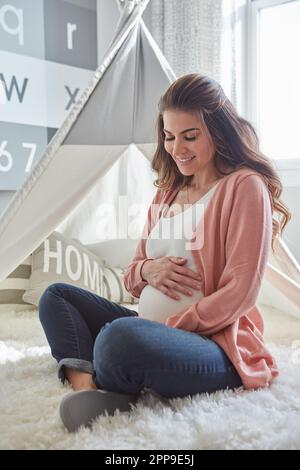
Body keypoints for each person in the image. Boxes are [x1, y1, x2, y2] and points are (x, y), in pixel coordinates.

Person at [39, 73, 291, 432]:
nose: (177, 149)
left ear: (218, 133)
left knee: (118, 338)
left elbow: (241, 291)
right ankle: (88, 387)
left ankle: (116, 365)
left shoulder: (244, 186)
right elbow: (133, 275)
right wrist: (148, 270)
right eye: (169, 137)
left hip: (214, 346)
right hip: (154, 332)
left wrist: (174, 328)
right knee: (57, 297)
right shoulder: (168, 191)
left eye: (190, 136)